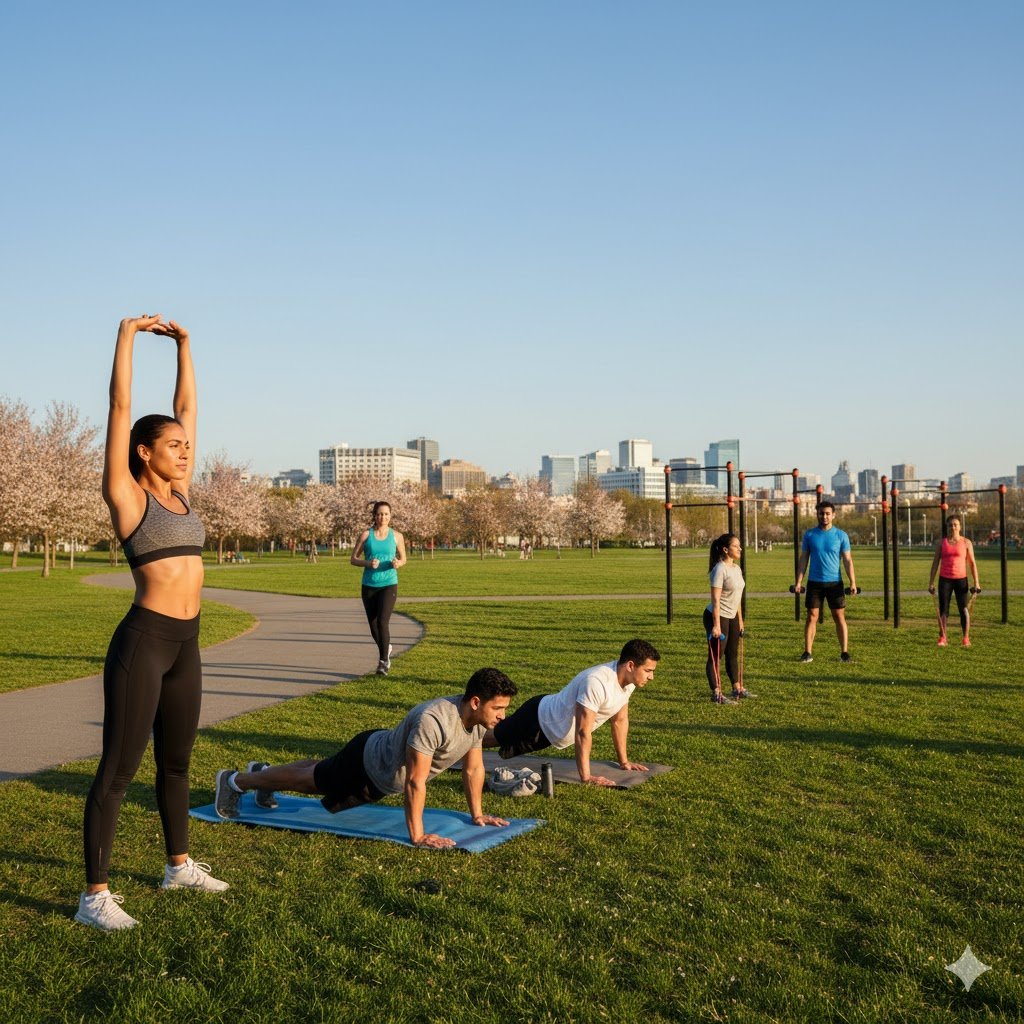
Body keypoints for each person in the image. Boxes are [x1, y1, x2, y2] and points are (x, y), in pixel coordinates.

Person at [77, 315, 226, 933]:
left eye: (186, 445)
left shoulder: (181, 490)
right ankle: (94, 895)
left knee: (177, 762)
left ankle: (178, 865)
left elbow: (186, 405)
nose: (185, 450)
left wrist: (187, 346)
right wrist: (127, 337)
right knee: (118, 767)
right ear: (144, 451)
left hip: (187, 642)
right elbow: (118, 406)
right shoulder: (128, 494)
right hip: (145, 641)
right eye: (173, 445)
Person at [214, 669, 517, 848]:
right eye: (498, 708)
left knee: (315, 770)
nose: (502, 716)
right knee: (311, 781)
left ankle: (263, 773)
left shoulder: (477, 721)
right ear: (476, 702)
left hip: (374, 754)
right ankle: (236, 781)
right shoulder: (434, 720)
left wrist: (478, 816)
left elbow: (473, 769)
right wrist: (418, 835)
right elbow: (414, 781)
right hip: (368, 766)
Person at [482, 639, 660, 786]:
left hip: (547, 722)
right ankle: (459, 736)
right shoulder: (597, 682)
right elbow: (583, 732)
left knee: (490, 738)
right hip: (538, 721)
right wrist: (586, 777)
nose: (651, 677)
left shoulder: (628, 683)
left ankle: (465, 734)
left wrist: (624, 762)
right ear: (630, 665)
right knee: (490, 739)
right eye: (648, 671)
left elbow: (619, 721)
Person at [794, 501, 858, 663]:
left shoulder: (841, 535)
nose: (824, 516)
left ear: (833, 515)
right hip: (815, 583)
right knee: (811, 616)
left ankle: (844, 652)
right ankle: (807, 652)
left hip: (835, 583)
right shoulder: (810, 535)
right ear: (817, 514)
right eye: (821, 513)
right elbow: (804, 560)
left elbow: (848, 560)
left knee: (839, 616)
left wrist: (853, 582)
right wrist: (798, 582)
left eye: (828, 513)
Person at [351, 500, 407, 675]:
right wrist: (368, 563)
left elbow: (404, 559)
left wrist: (398, 563)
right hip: (369, 585)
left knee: (383, 621)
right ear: (374, 516)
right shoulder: (366, 535)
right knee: (373, 624)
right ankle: (386, 647)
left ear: (390, 516)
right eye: (380, 514)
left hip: (389, 583)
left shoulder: (397, 536)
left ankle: (383, 662)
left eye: (386, 514)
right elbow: (353, 559)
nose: (383, 517)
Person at [704, 533, 752, 703]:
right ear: (726, 549)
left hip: (731, 616)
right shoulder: (719, 569)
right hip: (717, 615)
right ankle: (716, 693)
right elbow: (715, 600)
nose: (740, 548)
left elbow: (737, 597)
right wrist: (716, 625)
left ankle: (737, 688)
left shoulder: (737, 569)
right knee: (716, 655)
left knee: (732, 653)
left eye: (739, 546)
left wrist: (740, 621)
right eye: (735, 546)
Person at [928, 515, 980, 647]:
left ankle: (966, 638)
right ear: (947, 527)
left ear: (960, 527)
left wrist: (977, 583)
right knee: (943, 609)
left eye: (955, 524)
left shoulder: (966, 543)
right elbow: (935, 563)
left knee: (964, 609)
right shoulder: (942, 543)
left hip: (961, 580)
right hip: (945, 580)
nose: (953, 527)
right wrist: (931, 582)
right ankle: (943, 637)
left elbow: (972, 563)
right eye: (950, 525)